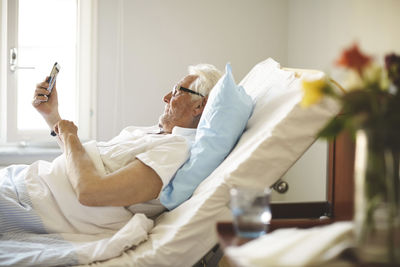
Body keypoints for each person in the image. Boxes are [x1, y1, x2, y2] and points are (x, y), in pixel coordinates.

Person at [30, 63, 222, 218]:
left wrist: (71, 136)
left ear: (199, 106)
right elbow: (78, 164)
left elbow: (91, 191)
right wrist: (52, 115)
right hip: (38, 183)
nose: (165, 98)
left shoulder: (175, 150)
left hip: (41, 199)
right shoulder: (152, 133)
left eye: (177, 91)